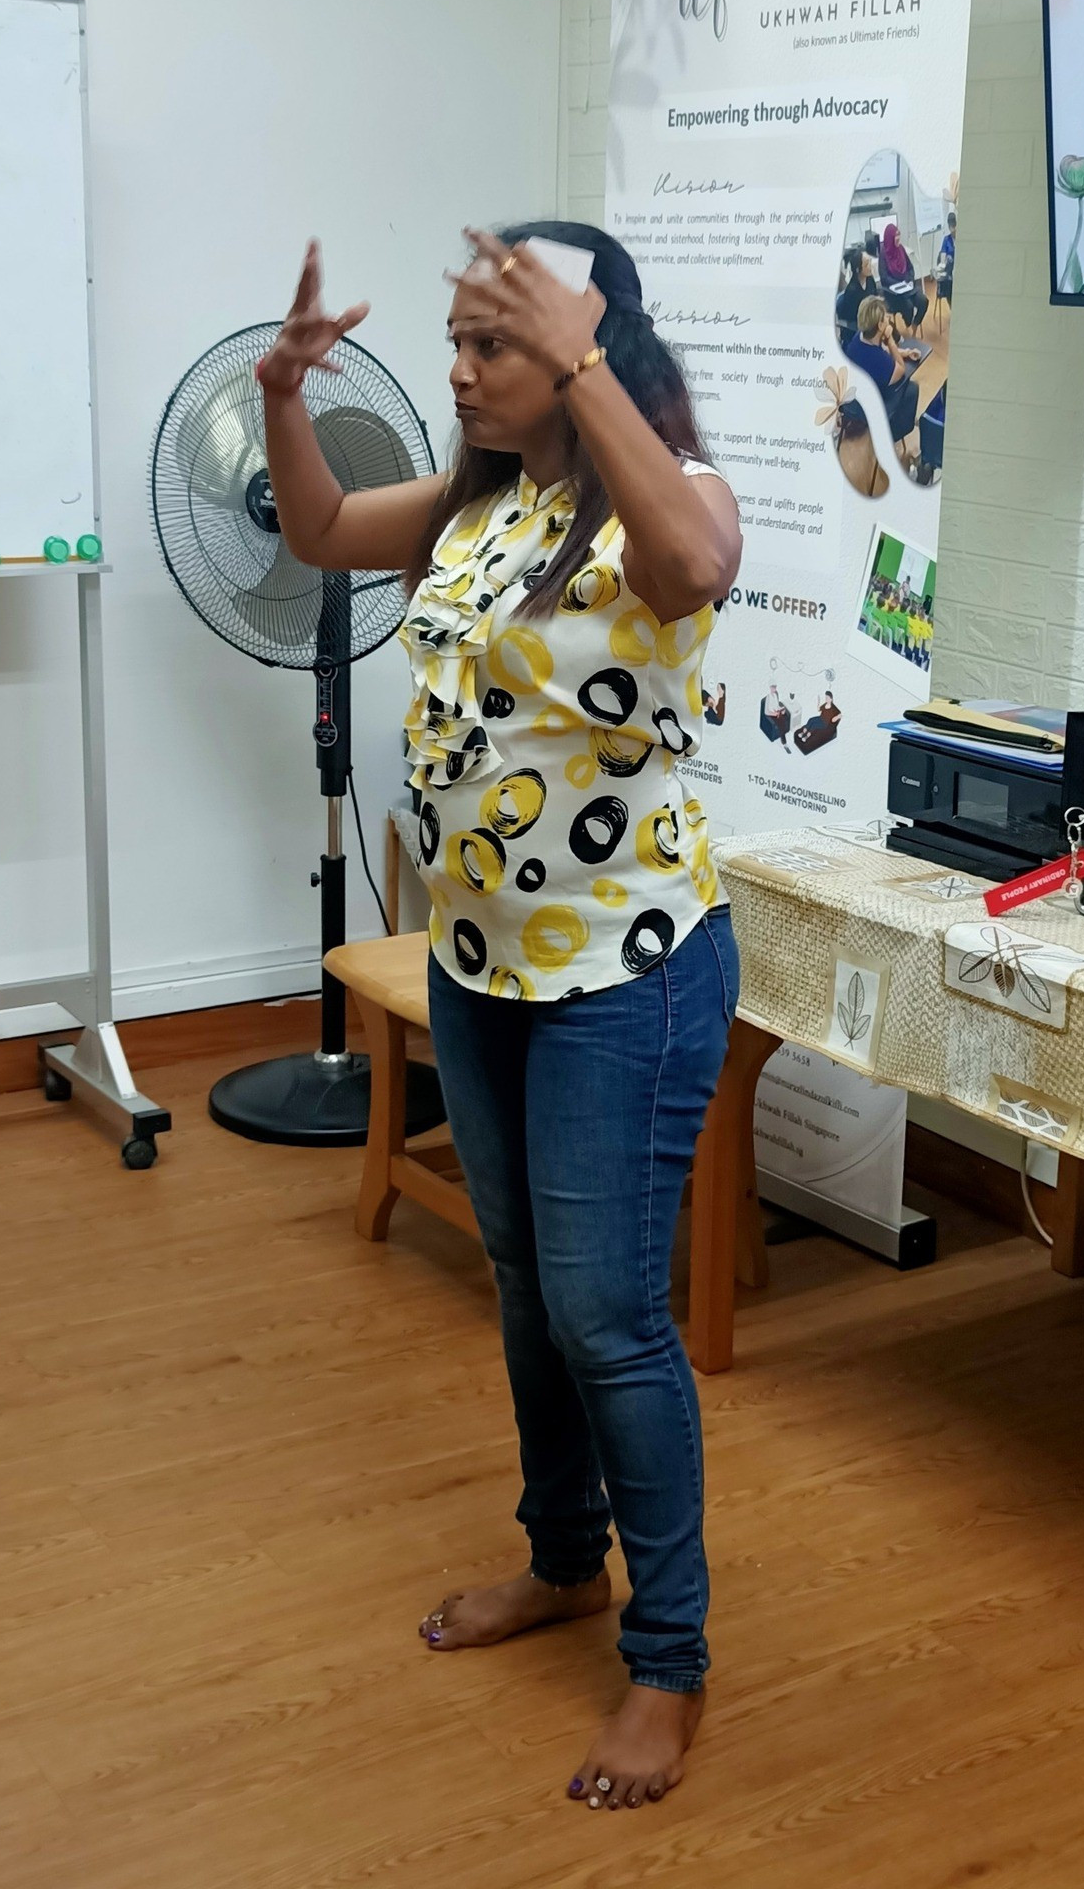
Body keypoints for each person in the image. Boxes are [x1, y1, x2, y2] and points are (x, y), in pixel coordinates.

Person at [258, 222, 743, 1813]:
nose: (461, 373)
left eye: (495, 344)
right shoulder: (479, 502)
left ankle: (670, 1658)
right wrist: (283, 396)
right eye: (461, 343)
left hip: (628, 976)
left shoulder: (666, 496)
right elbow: (317, 526)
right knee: (529, 1289)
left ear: (587, 348)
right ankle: (563, 1560)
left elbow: (697, 570)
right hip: (481, 966)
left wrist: (587, 362)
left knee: (608, 1316)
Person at [845, 295, 922, 445]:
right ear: (880, 326)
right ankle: (891, 435)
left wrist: (905, 352)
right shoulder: (879, 360)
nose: (888, 318)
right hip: (867, 408)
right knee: (911, 388)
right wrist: (891, 339)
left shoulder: (859, 337)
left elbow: (883, 349)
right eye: (885, 317)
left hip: (851, 400)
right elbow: (900, 369)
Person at [880, 222, 926, 330]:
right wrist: (900, 284)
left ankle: (915, 324)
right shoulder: (883, 254)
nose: (898, 238)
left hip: (908, 287)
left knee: (923, 301)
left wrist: (909, 280)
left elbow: (910, 267)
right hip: (894, 293)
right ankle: (908, 325)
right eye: (895, 236)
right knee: (908, 307)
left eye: (898, 235)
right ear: (890, 238)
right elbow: (884, 278)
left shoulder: (901, 249)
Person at [834, 244, 874, 340]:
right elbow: (854, 316)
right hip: (857, 325)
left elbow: (875, 298)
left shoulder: (870, 280)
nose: (870, 266)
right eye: (867, 264)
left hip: (870, 318)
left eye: (870, 262)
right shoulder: (852, 291)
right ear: (858, 269)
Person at [935, 211, 956, 310]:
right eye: (950, 227)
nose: (952, 230)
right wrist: (944, 261)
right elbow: (942, 255)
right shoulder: (946, 239)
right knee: (948, 284)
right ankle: (953, 308)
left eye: (954, 226)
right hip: (949, 272)